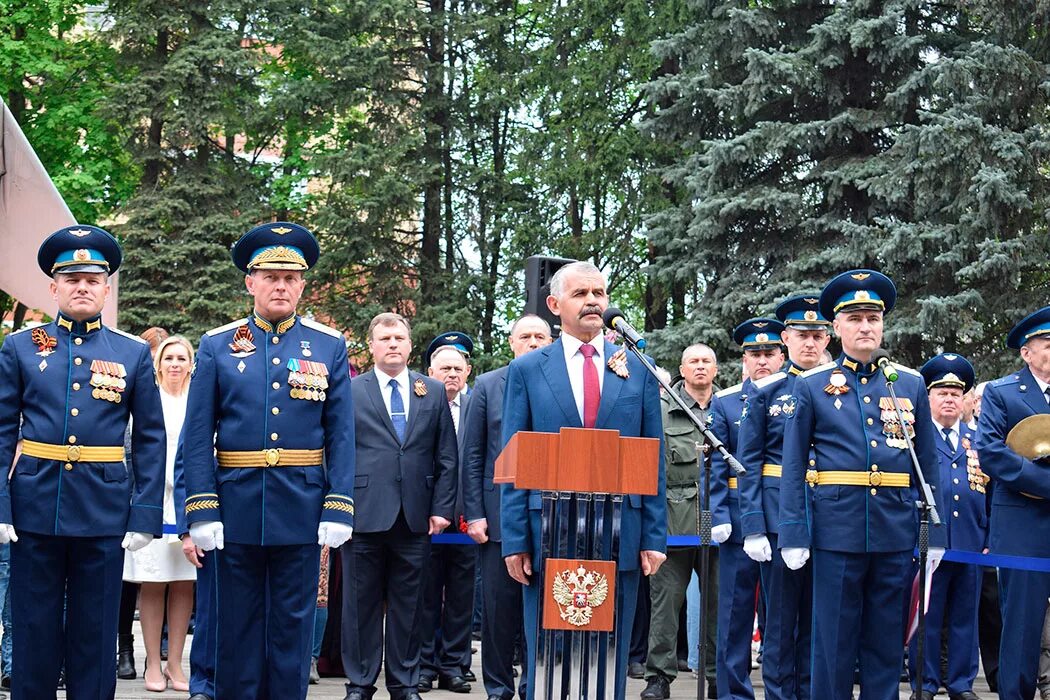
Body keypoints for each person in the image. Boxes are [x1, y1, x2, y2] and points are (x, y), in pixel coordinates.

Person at [182, 221, 356, 700]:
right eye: (270, 276)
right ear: (250, 283)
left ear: (302, 285)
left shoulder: (328, 345)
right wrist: (200, 507)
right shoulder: (218, 344)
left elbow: (341, 432)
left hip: (301, 506)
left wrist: (339, 502)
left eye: (291, 278)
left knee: (292, 626)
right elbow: (197, 435)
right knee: (234, 625)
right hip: (234, 505)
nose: (281, 285)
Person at [0, 225, 166, 698]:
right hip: (34, 507)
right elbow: (1, 430)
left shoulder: (132, 353)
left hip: (103, 511)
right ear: (53, 287)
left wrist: (145, 513)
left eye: (92, 280)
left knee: (94, 633)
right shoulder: (21, 348)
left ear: (106, 288)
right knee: (33, 629)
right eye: (71, 279)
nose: (82, 287)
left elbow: (152, 439)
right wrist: (1, 506)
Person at [500, 261, 667, 700]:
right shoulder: (529, 370)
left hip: (620, 533)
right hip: (548, 532)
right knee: (549, 660)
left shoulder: (639, 369)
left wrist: (653, 536)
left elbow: (653, 459)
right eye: (581, 294)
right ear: (555, 305)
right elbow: (514, 461)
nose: (593, 300)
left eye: (599, 292)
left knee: (606, 660)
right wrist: (515, 540)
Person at [778, 269, 945, 700]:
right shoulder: (812, 385)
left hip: (893, 529)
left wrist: (937, 532)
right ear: (837, 327)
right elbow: (794, 465)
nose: (865, 326)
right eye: (854, 318)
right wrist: (795, 530)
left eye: (873, 317)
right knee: (832, 644)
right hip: (836, 530)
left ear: (884, 323)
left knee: (886, 645)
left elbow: (927, 464)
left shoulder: (908, 383)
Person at [341, 312, 458, 700]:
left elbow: (447, 456)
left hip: (416, 516)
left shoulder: (433, 390)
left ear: (410, 345)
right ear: (371, 345)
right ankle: (359, 682)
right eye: (384, 338)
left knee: (411, 607)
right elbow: (336, 452)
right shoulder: (350, 390)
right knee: (360, 608)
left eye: (399, 338)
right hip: (362, 513)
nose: (392, 344)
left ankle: (405, 683)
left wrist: (442, 508)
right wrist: (337, 506)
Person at [735, 294, 831, 700]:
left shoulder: (835, 387)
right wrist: (753, 525)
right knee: (778, 624)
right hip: (777, 521)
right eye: (801, 335)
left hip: (828, 518)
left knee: (817, 621)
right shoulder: (767, 390)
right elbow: (748, 463)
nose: (809, 343)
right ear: (785, 339)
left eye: (817, 335)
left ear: (827, 339)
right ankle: (778, 694)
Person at [463, 314, 552, 700]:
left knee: (541, 614)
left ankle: (535, 686)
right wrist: (476, 513)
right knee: (498, 613)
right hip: (498, 517)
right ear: (512, 342)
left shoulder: (559, 383)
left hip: (551, 514)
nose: (533, 342)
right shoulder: (486, 385)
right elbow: (472, 454)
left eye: (540, 336)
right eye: (525, 336)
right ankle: (498, 688)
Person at [976, 305, 1050, 700]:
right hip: (1022, 524)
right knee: (1021, 624)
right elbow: (990, 452)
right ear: (1026, 351)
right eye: (1048, 343)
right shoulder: (1003, 393)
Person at [710, 317, 785, 700]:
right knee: (735, 617)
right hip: (738, 522)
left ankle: (778, 690)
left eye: (769, 353)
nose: (762, 360)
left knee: (781, 618)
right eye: (754, 354)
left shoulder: (795, 397)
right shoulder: (724, 402)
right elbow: (716, 467)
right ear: (743, 359)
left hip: (782, 520)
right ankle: (733, 693)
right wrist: (719, 516)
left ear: (781, 355)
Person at [641, 343, 721, 700]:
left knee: (720, 600)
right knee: (666, 602)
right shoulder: (661, 410)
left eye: (706, 361)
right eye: (693, 362)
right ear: (682, 369)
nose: (700, 367)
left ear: (716, 370)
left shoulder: (730, 406)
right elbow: (648, 470)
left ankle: (719, 673)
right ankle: (659, 676)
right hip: (672, 521)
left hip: (720, 519)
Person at [908, 353, 986, 700]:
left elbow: (994, 491)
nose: (951, 398)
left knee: (964, 619)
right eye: (942, 392)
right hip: (928, 542)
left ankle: (961, 683)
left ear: (967, 399)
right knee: (927, 615)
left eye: (957, 392)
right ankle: (923, 684)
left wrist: (989, 537)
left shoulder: (979, 439)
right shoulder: (914, 438)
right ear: (928, 398)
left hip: (971, 542)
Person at [123, 335, 198, 692]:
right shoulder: (149, 401)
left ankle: (175, 663)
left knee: (185, 584)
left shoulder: (199, 402)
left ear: (191, 365)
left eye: (181, 358)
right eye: (169, 358)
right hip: (154, 500)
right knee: (153, 583)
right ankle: (152, 662)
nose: (175, 364)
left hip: (188, 503)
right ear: (158, 364)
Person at [419, 332, 477, 693]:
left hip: (468, 520)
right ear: (430, 372)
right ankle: (424, 664)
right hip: (426, 519)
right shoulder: (419, 403)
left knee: (461, 598)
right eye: (444, 368)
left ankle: (454, 665)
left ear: (468, 372)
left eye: (458, 368)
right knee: (423, 596)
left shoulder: (476, 406)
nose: (451, 374)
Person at [117, 325, 170, 681]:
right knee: (126, 579)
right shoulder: (128, 381)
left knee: (163, 574)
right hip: (123, 488)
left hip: (156, 494)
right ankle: (125, 648)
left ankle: (163, 643)